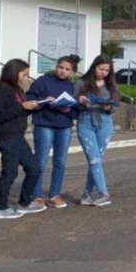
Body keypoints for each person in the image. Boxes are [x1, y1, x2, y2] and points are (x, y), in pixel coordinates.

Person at [0, 59, 48, 219]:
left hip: (18, 137)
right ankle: (0, 207)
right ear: (14, 73)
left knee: (34, 168)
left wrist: (35, 106)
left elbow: (17, 112)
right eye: (24, 74)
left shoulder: (16, 90)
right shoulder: (0, 89)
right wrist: (21, 106)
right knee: (9, 172)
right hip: (7, 136)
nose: (26, 78)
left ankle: (24, 202)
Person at [26, 54, 79, 208]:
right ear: (56, 67)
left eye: (67, 69)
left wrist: (67, 109)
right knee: (40, 161)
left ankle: (54, 195)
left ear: (72, 72)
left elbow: (77, 111)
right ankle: (36, 196)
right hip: (44, 125)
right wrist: (45, 99)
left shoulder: (73, 87)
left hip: (64, 127)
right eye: (60, 67)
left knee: (60, 162)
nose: (62, 71)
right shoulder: (43, 81)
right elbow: (30, 98)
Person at [75, 55, 120, 207]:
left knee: (97, 160)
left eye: (107, 70)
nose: (104, 72)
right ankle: (103, 193)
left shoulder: (111, 85)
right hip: (86, 122)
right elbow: (73, 104)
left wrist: (108, 107)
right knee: (93, 159)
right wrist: (80, 101)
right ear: (94, 67)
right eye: (101, 69)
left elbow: (115, 106)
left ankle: (87, 193)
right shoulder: (81, 83)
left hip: (105, 122)